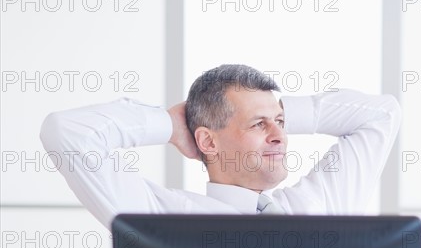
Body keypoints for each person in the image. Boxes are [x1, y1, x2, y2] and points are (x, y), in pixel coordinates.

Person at [40, 64, 401, 228]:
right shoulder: (162, 218)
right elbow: (66, 133)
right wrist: (168, 125)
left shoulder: (322, 204)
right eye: (259, 124)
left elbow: (382, 115)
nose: (279, 136)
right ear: (208, 141)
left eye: (281, 123)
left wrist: (280, 111)